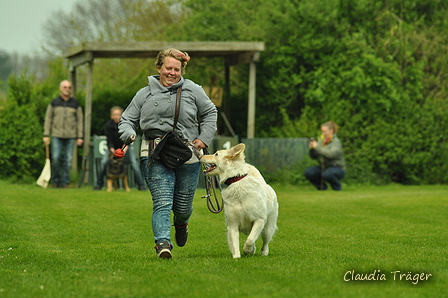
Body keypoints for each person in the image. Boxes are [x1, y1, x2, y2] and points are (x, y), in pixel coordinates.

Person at [118, 48, 218, 258]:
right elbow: (127, 119)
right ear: (158, 68)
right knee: (162, 201)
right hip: (154, 152)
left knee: (182, 206)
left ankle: (181, 223)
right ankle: (163, 243)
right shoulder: (144, 93)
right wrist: (129, 134)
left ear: (182, 70)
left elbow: (210, 112)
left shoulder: (193, 90)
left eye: (177, 69)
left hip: (187, 152)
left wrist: (203, 138)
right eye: (168, 68)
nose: (172, 73)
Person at [93, 106, 146, 191]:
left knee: (134, 164)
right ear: (111, 116)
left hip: (125, 147)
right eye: (115, 114)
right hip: (113, 149)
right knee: (103, 163)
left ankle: (141, 186)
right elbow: (109, 140)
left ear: (122, 115)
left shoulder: (126, 124)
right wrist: (112, 150)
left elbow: (128, 138)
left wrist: (123, 150)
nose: (117, 116)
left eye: (118, 114)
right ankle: (98, 185)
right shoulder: (108, 125)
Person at [43, 80, 84, 188]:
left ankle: (65, 182)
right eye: (65, 87)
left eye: (69, 87)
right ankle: (55, 181)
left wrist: (80, 136)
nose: (67, 89)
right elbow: (48, 119)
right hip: (56, 135)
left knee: (68, 160)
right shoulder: (54, 102)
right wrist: (46, 134)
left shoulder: (75, 103)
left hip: (71, 136)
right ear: (60, 88)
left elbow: (80, 120)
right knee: (56, 158)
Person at [304, 121, 346, 190]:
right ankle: (322, 187)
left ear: (331, 131)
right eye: (322, 131)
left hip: (337, 167)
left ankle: (337, 187)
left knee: (327, 174)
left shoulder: (336, 142)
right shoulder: (321, 141)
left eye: (325, 131)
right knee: (308, 172)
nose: (323, 133)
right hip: (324, 167)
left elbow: (330, 154)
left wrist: (317, 147)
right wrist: (312, 149)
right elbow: (313, 157)